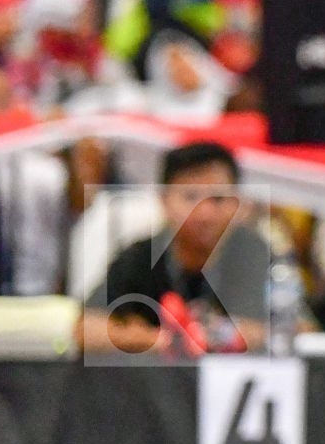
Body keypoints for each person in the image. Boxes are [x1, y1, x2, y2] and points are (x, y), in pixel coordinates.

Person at [79, 141, 269, 355]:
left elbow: (282, 327)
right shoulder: (141, 258)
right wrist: (157, 340)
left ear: (237, 203)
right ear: (164, 200)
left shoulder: (254, 252)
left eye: (217, 199)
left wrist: (214, 336)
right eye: (191, 197)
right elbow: (86, 328)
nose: (204, 213)